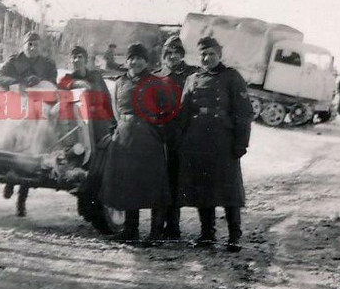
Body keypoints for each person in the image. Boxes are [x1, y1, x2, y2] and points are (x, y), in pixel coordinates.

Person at [173, 36, 252, 252]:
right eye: (204, 54)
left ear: (220, 55)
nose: (207, 58)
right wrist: (179, 140)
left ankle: (234, 235)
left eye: (211, 54)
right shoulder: (192, 78)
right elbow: (184, 112)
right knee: (203, 188)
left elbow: (244, 112)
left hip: (223, 141)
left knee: (229, 189)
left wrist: (240, 143)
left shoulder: (232, 77)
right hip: (197, 140)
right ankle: (207, 233)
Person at [100, 43, 174, 245]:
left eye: (140, 58)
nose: (135, 62)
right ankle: (130, 230)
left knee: (152, 185)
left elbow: (166, 113)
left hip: (148, 138)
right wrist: (120, 129)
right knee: (128, 184)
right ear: (126, 61)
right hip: (125, 137)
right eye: (132, 58)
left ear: (146, 61)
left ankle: (156, 233)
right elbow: (115, 110)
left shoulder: (157, 83)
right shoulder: (120, 82)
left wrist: (157, 133)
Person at [0, 31, 57, 216]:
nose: (32, 48)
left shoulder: (48, 64)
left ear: (40, 47)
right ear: (23, 45)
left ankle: (22, 198)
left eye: (36, 45)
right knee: (12, 135)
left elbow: (53, 85)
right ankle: (10, 178)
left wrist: (41, 81)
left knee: (34, 145)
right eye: (29, 44)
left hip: (38, 106)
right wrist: (17, 81)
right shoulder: (13, 61)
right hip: (16, 103)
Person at [58, 46, 117, 231]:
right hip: (80, 129)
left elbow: (106, 98)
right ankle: (86, 204)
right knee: (85, 163)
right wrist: (78, 85)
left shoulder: (97, 76)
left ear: (86, 59)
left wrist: (112, 121)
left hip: (100, 124)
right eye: (74, 57)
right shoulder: (67, 78)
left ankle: (96, 206)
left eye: (80, 56)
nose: (77, 60)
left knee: (102, 163)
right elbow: (64, 87)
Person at [154, 35, 194, 239]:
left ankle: (174, 225)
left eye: (177, 53)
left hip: (181, 134)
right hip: (160, 133)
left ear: (182, 55)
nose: (173, 57)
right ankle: (157, 224)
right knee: (159, 178)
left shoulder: (191, 75)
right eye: (169, 53)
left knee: (176, 179)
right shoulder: (156, 75)